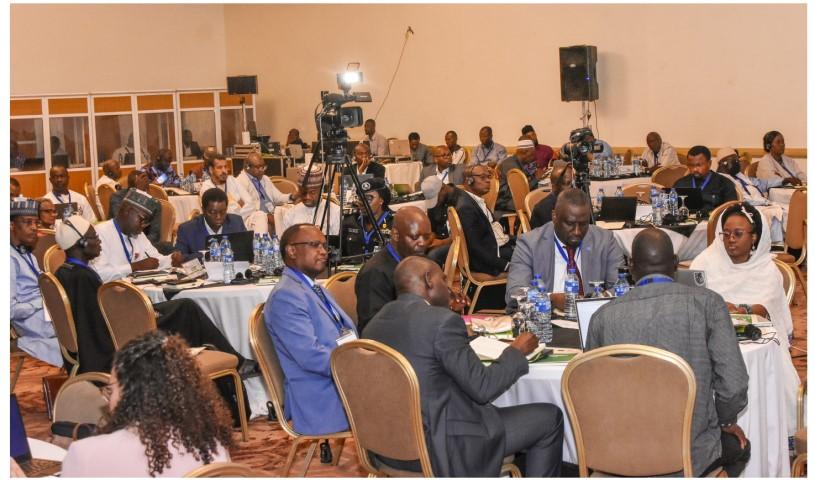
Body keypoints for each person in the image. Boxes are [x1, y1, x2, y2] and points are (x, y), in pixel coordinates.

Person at [364, 256, 564, 477]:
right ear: (429, 280)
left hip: (389, 446)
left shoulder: (375, 323)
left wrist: (450, 316)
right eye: (444, 279)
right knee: (550, 418)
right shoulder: (440, 323)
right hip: (443, 446)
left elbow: (428, 356)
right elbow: (483, 389)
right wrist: (517, 351)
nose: (449, 287)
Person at [586, 228, 750, 477]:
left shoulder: (602, 318)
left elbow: (592, 396)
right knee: (739, 447)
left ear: (630, 266)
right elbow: (734, 385)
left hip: (620, 454)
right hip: (690, 452)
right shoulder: (709, 304)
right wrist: (725, 422)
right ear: (675, 264)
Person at [54, 215, 248, 374]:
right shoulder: (83, 277)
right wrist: (138, 313)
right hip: (120, 338)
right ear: (82, 242)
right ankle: (233, 364)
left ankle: (229, 364)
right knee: (186, 309)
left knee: (183, 305)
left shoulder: (65, 271)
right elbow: (100, 326)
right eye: (94, 237)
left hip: (113, 330)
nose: (99, 242)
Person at [689, 203, 800, 435]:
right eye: (726, 234)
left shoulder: (766, 270)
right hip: (709, 340)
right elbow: (692, 301)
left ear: (754, 237)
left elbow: (765, 310)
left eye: (738, 234)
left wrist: (738, 308)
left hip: (757, 342)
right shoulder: (705, 262)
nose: (730, 240)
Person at [61, 331, 235, 477]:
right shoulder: (212, 445)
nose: (107, 400)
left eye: (111, 390)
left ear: (131, 394)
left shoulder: (85, 454)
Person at [264, 224, 357, 434]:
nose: (324, 251)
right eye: (314, 245)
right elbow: (311, 356)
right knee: (405, 394)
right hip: (322, 395)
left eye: (324, 245)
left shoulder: (312, 287)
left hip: (340, 379)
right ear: (291, 250)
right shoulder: (286, 296)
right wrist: (358, 369)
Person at [506, 188, 623, 308]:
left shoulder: (605, 240)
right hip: (545, 317)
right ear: (554, 216)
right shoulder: (529, 244)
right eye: (570, 224)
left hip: (592, 317)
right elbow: (514, 292)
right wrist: (551, 299)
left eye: (583, 224)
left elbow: (621, 286)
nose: (577, 231)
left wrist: (599, 299)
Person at [355, 207, 432, 332]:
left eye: (427, 237)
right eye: (415, 237)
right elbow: (373, 328)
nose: (422, 243)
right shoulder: (375, 273)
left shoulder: (424, 263)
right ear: (396, 235)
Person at [10, 198, 62, 367]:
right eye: (27, 223)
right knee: (83, 333)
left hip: (46, 312)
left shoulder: (27, 253)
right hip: (34, 322)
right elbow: (9, 311)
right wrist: (42, 301)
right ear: (11, 225)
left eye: (36, 223)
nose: (34, 228)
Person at [91, 189, 184, 282]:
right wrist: (134, 267)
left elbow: (155, 260)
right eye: (142, 220)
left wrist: (170, 260)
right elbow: (98, 274)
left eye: (147, 223)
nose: (143, 227)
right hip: (110, 293)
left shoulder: (137, 234)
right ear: (127, 211)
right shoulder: (100, 233)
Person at [716, 148, 785, 243]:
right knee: (777, 214)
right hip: (747, 208)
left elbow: (761, 183)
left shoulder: (739, 176)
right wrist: (766, 202)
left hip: (762, 205)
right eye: (734, 160)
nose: (738, 162)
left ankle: (793, 245)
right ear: (723, 163)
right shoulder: (721, 180)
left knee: (790, 210)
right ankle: (777, 246)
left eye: (737, 159)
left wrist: (783, 181)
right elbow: (740, 200)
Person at [455, 164, 513, 276]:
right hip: (491, 257)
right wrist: (505, 265)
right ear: (469, 180)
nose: (488, 181)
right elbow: (475, 247)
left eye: (488, 177)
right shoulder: (466, 207)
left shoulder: (474, 199)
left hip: (496, 245)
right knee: (536, 255)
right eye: (482, 177)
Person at [200, 153, 268, 234]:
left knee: (260, 215)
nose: (224, 171)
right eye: (219, 168)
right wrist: (238, 204)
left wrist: (235, 213)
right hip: (221, 226)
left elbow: (250, 203)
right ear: (211, 170)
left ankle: (260, 244)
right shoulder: (207, 187)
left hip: (241, 220)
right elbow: (217, 214)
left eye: (225, 167)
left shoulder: (232, 180)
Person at [176, 188, 247, 261]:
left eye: (223, 212)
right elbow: (179, 258)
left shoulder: (236, 222)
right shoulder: (187, 229)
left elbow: (247, 251)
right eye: (213, 212)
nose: (218, 217)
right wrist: (208, 255)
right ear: (203, 210)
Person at [236, 151, 296, 231]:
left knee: (294, 211)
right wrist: (267, 216)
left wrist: (292, 196)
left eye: (263, 167)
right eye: (258, 167)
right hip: (256, 218)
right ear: (247, 167)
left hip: (272, 212)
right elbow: (247, 209)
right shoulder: (240, 183)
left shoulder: (265, 178)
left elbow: (278, 197)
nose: (262, 170)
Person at [673, 145, 738, 215]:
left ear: (709, 163)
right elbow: (672, 209)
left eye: (699, 165)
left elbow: (731, 211)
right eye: (691, 165)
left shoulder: (724, 183)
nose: (695, 169)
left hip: (713, 223)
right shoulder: (680, 184)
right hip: (685, 224)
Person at [280, 163, 341, 236]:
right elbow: (285, 244)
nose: (307, 197)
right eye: (304, 192)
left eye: (312, 192)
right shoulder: (290, 214)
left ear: (321, 190)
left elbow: (336, 243)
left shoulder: (335, 212)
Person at [341, 177, 393, 258]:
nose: (363, 203)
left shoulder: (394, 223)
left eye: (369, 198)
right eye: (360, 199)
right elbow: (341, 255)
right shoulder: (350, 222)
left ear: (381, 200)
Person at [108, 170, 162, 248]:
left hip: (143, 244)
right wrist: (137, 192)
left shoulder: (154, 204)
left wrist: (140, 247)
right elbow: (120, 223)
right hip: (118, 241)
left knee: (167, 247)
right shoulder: (117, 197)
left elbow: (155, 235)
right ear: (130, 184)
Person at [422, 176, 463, 265]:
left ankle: (437, 278)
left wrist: (442, 242)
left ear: (442, 189)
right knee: (416, 250)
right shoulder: (435, 201)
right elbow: (432, 228)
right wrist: (429, 239)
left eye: (436, 198)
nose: (435, 202)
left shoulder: (462, 201)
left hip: (459, 243)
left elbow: (465, 234)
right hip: (440, 239)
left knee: (433, 255)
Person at [495, 138, 540, 214]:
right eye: (532, 154)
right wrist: (536, 178)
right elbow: (520, 191)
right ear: (524, 152)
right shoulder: (511, 165)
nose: (534, 157)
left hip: (513, 198)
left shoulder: (517, 162)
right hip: (506, 201)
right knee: (540, 204)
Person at [530, 162, 574, 229]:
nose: (572, 188)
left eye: (572, 183)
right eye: (568, 184)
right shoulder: (544, 209)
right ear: (554, 187)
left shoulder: (571, 201)